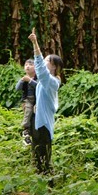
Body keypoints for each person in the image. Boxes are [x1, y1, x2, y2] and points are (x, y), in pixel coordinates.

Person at [28, 27, 63, 176]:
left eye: (47, 60)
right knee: (37, 153)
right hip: (37, 120)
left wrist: (35, 43)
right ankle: (40, 181)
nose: (44, 61)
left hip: (44, 124)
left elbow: (40, 70)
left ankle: (49, 182)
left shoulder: (52, 81)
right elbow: (41, 87)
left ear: (54, 66)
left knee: (44, 154)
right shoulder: (45, 82)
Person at [15, 59, 37, 147]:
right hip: (27, 100)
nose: (28, 66)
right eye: (26, 65)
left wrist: (30, 80)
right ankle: (25, 129)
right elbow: (17, 89)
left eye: (30, 65)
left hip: (37, 100)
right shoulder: (23, 79)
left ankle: (33, 134)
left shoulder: (37, 78)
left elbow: (39, 86)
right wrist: (22, 80)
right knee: (28, 111)